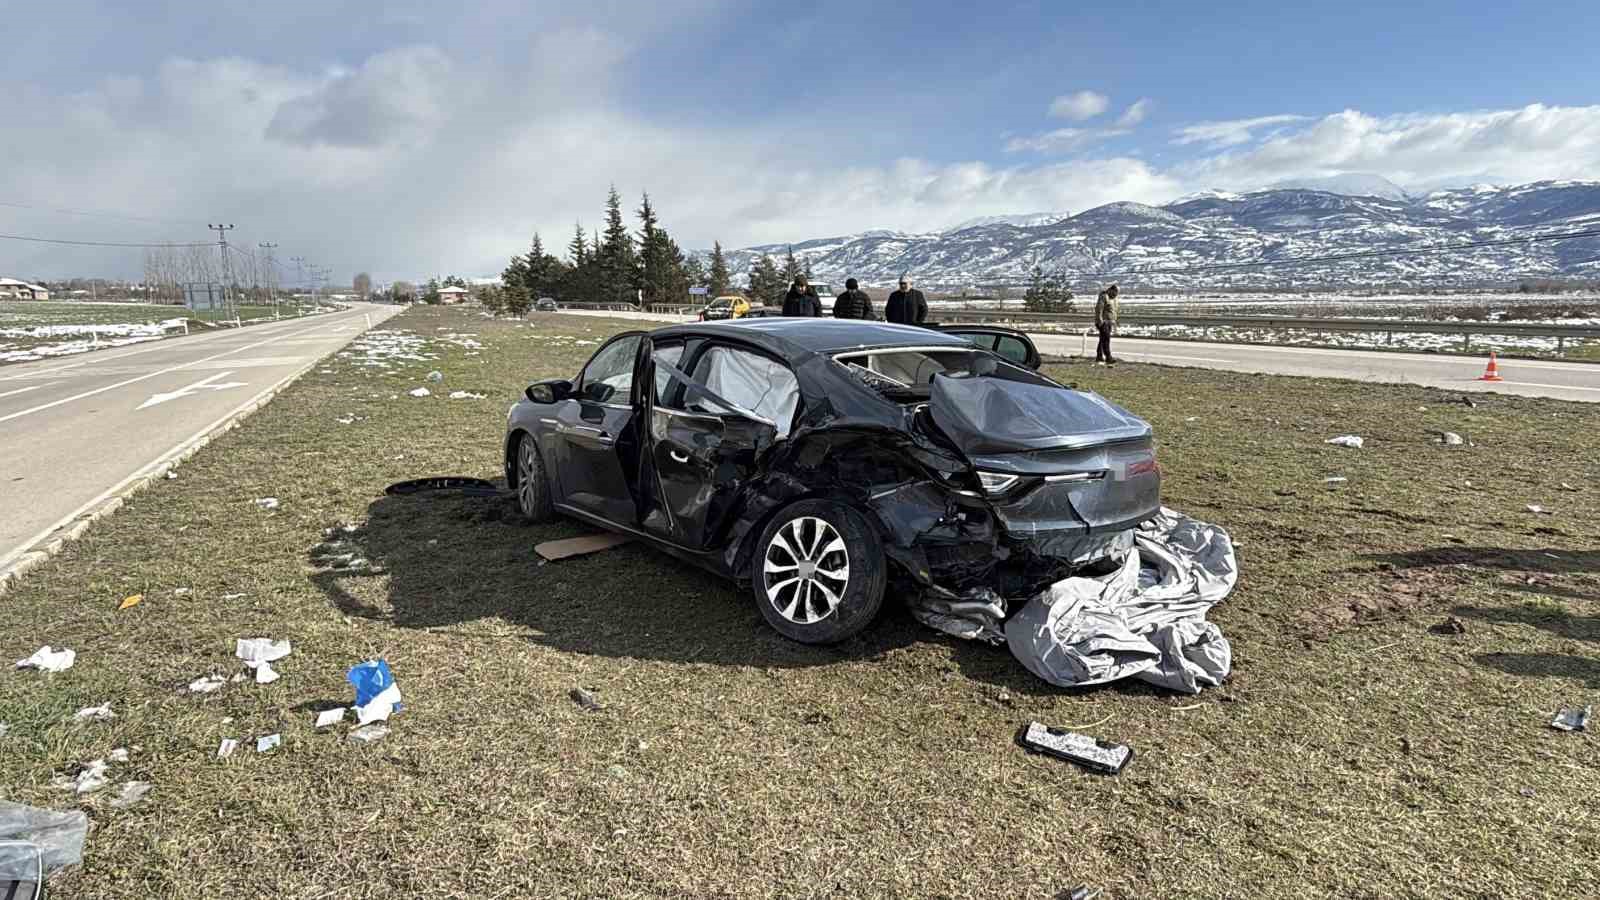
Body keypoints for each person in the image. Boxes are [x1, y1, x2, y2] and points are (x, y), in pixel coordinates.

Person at [1094, 283, 1120, 365]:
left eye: (1117, 293)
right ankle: (1108, 357)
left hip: (1110, 321)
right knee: (1106, 339)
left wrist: (1114, 320)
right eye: (1115, 292)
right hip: (1103, 321)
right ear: (1110, 290)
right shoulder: (1104, 296)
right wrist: (1100, 321)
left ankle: (1099, 356)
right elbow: (1099, 309)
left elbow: (1113, 311)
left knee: (1102, 339)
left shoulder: (1114, 299)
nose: (1116, 294)